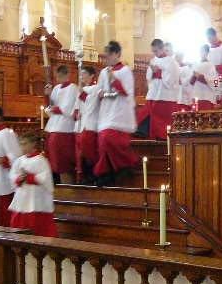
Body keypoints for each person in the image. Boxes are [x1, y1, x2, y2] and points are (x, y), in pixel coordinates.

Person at [94, 41, 138, 185]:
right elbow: (100, 90)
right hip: (106, 111)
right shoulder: (103, 72)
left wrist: (114, 80)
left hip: (119, 112)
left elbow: (127, 92)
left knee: (109, 139)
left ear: (117, 54)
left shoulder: (125, 71)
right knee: (103, 143)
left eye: (109, 55)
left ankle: (126, 165)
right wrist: (100, 93)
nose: (106, 58)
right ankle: (108, 174)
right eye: (106, 55)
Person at [8, 132, 57, 237]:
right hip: (22, 197)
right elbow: (12, 175)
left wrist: (30, 177)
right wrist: (18, 178)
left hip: (36, 197)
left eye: (25, 144)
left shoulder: (41, 160)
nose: (22, 147)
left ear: (33, 144)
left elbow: (46, 178)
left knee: (36, 224)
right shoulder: (19, 161)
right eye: (20, 144)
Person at [44, 65, 79, 183]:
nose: (58, 79)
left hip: (65, 128)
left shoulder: (73, 88)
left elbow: (72, 107)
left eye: (60, 76)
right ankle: (62, 187)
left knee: (64, 163)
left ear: (66, 75)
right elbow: (51, 105)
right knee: (55, 161)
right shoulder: (56, 88)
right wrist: (48, 95)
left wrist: (58, 109)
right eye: (57, 76)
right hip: (54, 125)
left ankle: (69, 188)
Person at [145, 38, 179, 139]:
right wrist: (152, 72)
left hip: (165, 97)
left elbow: (170, 81)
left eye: (155, 51)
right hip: (154, 95)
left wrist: (158, 72)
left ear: (162, 48)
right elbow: (148, 77)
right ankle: (155, 145)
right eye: (153, 51)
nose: (154, 53)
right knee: (153, 123)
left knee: (164, 125)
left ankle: (164, 143)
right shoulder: (153, 60)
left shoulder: (171, 62)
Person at [74, 66, 100, 183]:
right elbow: (78, 107)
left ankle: (94, 175)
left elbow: (92, 105)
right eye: (81, 74)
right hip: (82, 125)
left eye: (84, 74)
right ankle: (85, 176)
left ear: (91, 76)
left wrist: (82, 94)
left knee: (89, 152)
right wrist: (77, 112)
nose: (81, 76)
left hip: (91, 125)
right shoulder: (82, 90)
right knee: (81, 153)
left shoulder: (96, 88)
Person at [190, 44, 218, 110]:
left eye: (202, 51)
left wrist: (200, 76)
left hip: (206, 96)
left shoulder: (211, 65)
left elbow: (213, 82)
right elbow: (191, 82)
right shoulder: (196, 64)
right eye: (200, 51)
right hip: (196, 95)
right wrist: (193, 76)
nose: (201, 53)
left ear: (207, 52)